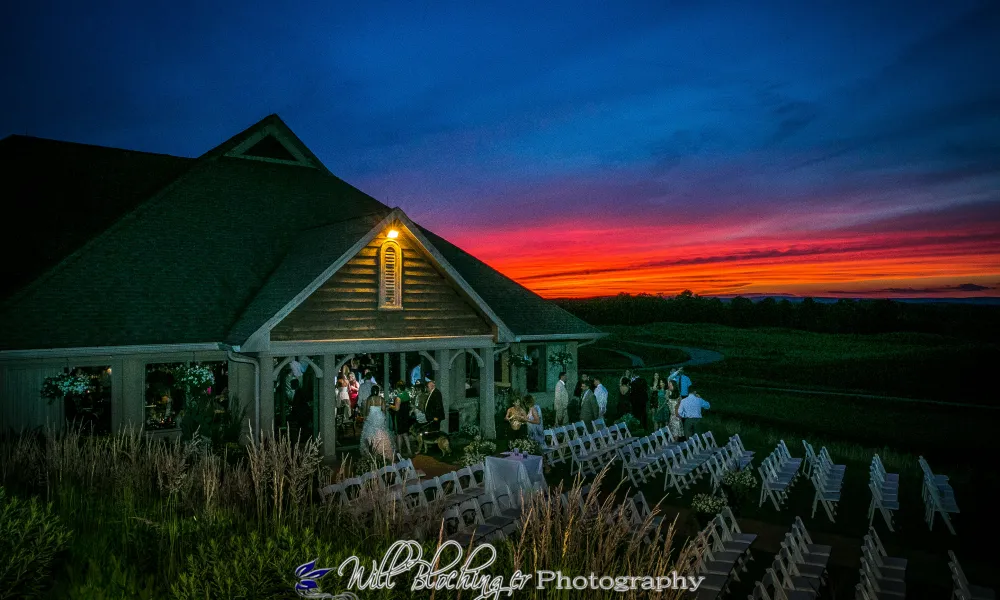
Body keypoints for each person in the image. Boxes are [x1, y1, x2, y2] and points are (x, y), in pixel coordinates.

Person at [360, 384, 395, 461]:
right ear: (378, 391)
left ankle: (372, 450)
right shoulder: (381, 399)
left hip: (372, 416)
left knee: (370, 433)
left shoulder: (370, 399)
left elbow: (367, 409)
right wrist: (383, 417)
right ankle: (382, 449)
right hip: (379, 416)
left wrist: (365, 416)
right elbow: (384, 410)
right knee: (381, 432)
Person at [390, 380, 413, 455]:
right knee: (405, 434)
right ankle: (409, 450)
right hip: (406, 416)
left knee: (399, 434)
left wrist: (390, 406)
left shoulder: (398, 397)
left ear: (398, 388)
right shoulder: (407, 394)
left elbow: (396, 408)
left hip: (399, 417)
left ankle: (399, 451)